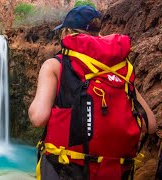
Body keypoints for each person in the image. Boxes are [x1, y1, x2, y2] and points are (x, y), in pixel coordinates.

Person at [28, 5, 156, 180]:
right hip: (114, 172)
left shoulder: (55, 65)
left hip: (68, 169)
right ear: (98, 34)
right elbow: (150, 124)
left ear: (66, 33)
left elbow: (38, 118)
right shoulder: (121, 69)